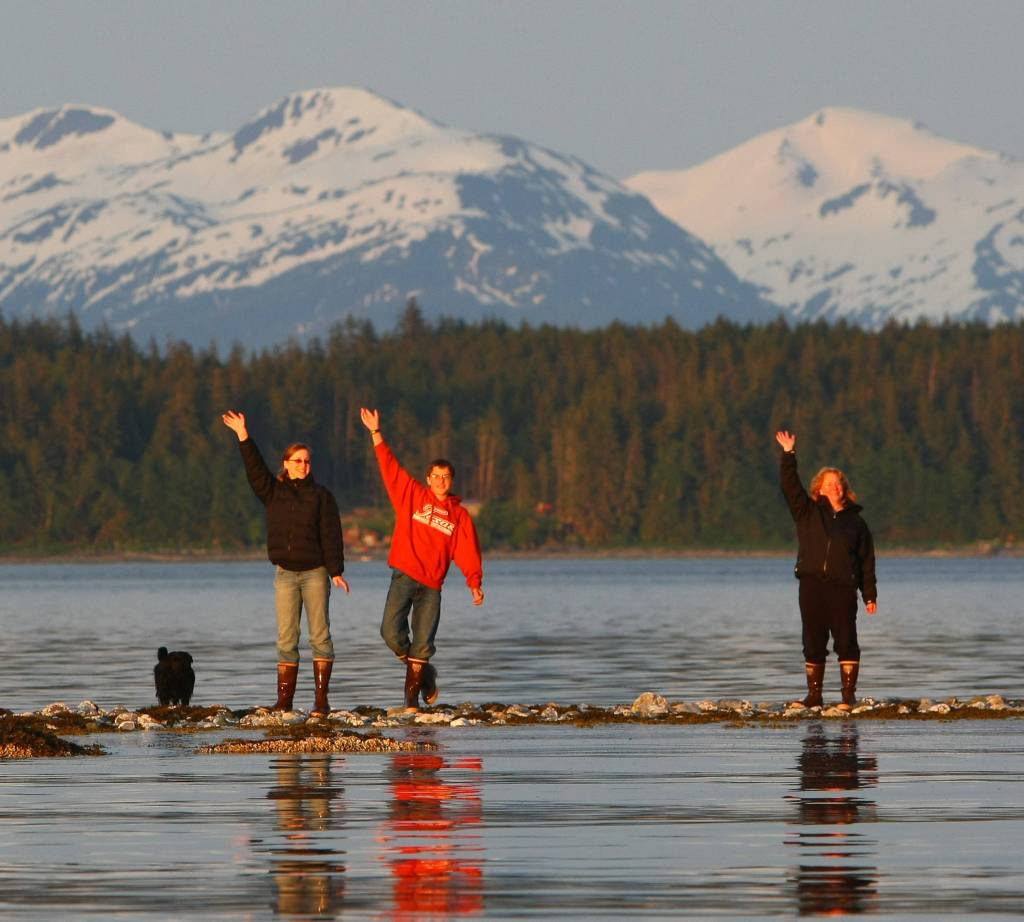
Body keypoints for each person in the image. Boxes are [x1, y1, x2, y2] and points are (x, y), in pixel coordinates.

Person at [222, 410, 349, 716]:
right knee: (286, 639)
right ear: (287, 464)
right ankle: (284, 702)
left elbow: (332, 534)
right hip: (284, 575)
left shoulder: (322, 496)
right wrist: (243, 435)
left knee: (320, 636)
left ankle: (321, 702)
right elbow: (255, 470)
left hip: (316, 573)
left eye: (307, 461)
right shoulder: (273, 492)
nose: (303, 466)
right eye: (297, 461)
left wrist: (336, 572)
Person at [359, 407, 484, 711]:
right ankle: (425, 675)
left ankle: (412, 705)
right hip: (404, 576)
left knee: (423, 645)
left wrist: (474, 582)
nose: (441, 481)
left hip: (432, 586)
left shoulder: (460, 516)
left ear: (451, 480)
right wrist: (376, 434)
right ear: (428, 479)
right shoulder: (411, 495)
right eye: (436, 476)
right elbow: (390, 467)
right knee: (390, 632)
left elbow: (468, 551)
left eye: (446, 476)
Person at [776, 430, 877, 710]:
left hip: (843, 588)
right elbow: (789, 485)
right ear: (818, 488)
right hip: (811, 586)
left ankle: (847, 697)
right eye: (828, 483)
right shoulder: (806, 512)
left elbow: (866, 560)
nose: (834, 487)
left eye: (838, 483)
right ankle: (814, 696)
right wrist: (789, 454)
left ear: (844, 488)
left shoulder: (857, 523)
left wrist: (870, 595)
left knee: (846, 639)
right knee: (813, 640)